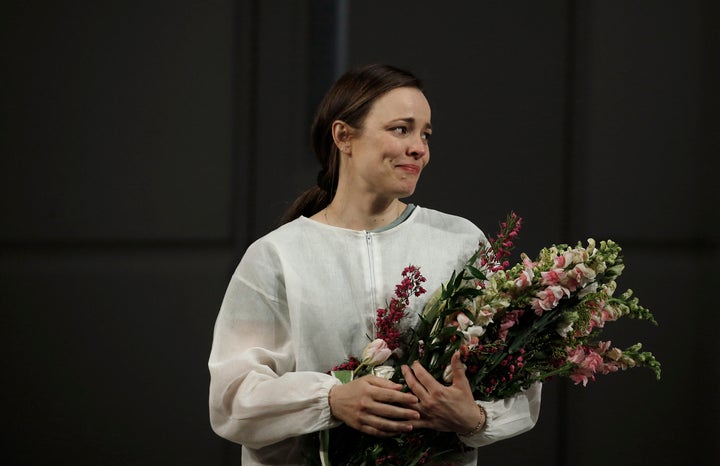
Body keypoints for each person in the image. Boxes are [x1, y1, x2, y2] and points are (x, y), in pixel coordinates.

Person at [208, 64, 541, 465]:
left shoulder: (461, 243)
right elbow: (232, 398)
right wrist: (331, 399)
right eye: (401, 129)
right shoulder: (277, 256)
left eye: (426, 134)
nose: (420, 147)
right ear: (344, 136)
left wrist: (473, 417)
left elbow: (519, 374)